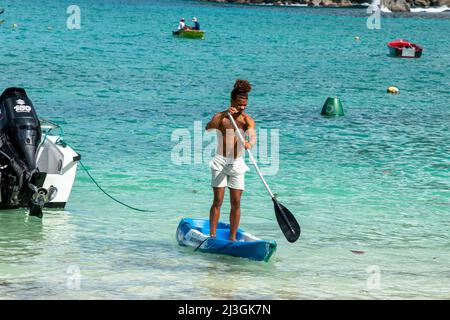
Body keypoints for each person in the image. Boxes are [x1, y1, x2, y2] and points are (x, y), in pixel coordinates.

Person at [205, 80, 256, 241]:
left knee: (236, 202)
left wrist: (250, 142)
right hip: (220, 162)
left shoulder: (246, 119)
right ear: (232, 101)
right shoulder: (222, 117)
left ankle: (232, 239)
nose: (242, 107)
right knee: (218, 200)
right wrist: (224, 115)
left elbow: (252, 133)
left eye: (245, 105)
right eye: (240, 104)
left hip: (237, 163)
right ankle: (212, 236)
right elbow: (209, 127)